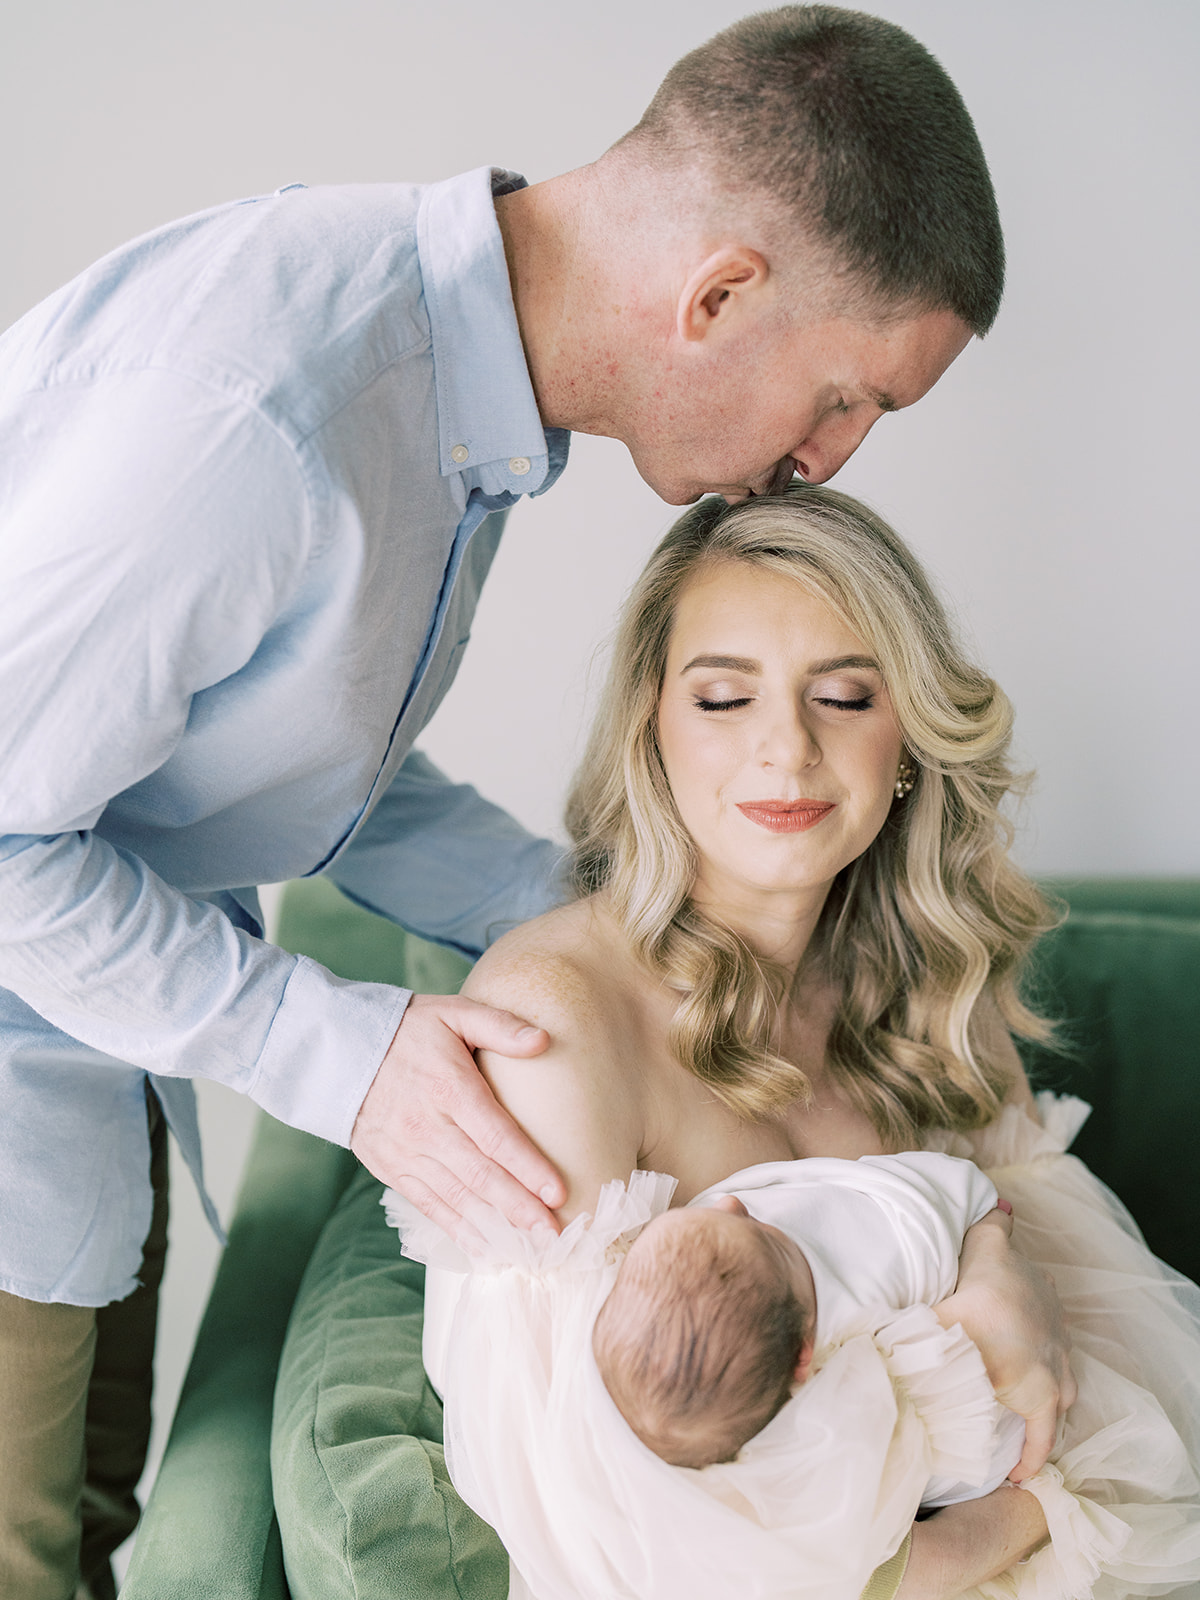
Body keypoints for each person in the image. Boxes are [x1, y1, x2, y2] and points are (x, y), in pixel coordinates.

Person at [0, 7, 1032, 1596]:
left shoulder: (440, 408)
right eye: (849, 396)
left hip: (91, 1072)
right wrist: (337, 1056)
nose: (830, 461)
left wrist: (631, 919)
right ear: (721, 295)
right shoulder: (264, 420)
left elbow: (280, 762)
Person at [383, 485, 1200, 1600]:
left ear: (909, 737)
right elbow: (616, 1538)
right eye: (723, 697)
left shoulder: (925, 984)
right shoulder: (557, 1019)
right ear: (651, 730)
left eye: (847, 695)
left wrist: (1000, 1250)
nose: (787, 749)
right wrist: (1028, 1511)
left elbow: (1094, 1354)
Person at [590, 1149, 1024, 1490]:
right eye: (766, 1237)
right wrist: (986, 1216)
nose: (732, 1203)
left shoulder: (744, 1398)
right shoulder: (876, 1281)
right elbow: (938, 1198)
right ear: (804, 1358)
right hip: (980, 1448)